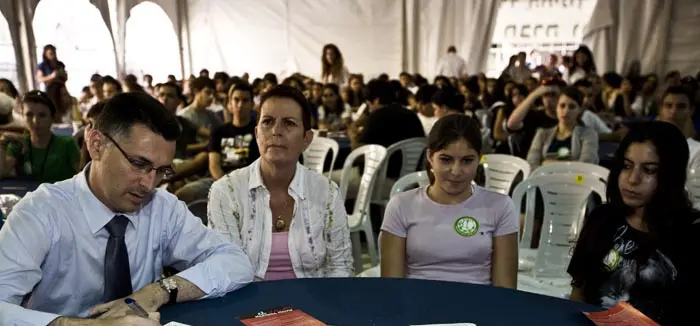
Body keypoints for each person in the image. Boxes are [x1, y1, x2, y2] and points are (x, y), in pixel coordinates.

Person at [0, 92, 254, 326]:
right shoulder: (40, 212)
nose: (149, 184)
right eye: (139, 164)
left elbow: (236, 262)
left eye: (162, 171)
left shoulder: (162, 208)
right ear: (96, 144)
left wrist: (159, 291)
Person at [208, 85, 353, 280]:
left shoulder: (326, 192)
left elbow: (341, 267)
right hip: (247, 305)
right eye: (267, 122)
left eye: (289, 123)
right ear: (257, 133)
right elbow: (225, 269)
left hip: (314, 303)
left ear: (306, 139)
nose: (276, 131)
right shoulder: (226, 191)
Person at [568, 121, 700, 326]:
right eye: (627, 166)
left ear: (670, 176)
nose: (632, 179)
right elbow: (578, 294)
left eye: (649, 170)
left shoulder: (690, 237)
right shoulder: (602, 219)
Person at [380, 114, 519, 287]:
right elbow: (392, 288)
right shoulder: (401, 206)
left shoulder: (500, 206)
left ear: (479, 158)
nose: (456, 171)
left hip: (479, 309)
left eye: (467, 161)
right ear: (430, 157)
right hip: (417, 308)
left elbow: (505, 291)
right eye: (446, 160)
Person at [0, 90, 79, 183]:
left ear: (53, 118)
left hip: (61, 196)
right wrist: (3, 142)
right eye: (29, 115)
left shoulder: (67, 144)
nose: (35, 121)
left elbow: (82, 176)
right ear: (22, 116)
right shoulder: (19, 143)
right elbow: (2, 173)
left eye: (42, 115)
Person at [526, 86, 598, 168]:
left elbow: (585, 166)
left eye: (572, 107)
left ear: (579, 110)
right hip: (544, 179)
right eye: (562, 106)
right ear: (556, 108)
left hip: (576, 179)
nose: (566, 111)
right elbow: (531, 164)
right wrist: (570, 163)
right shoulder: (542, 133)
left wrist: (547, 164)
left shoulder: (588, 134)